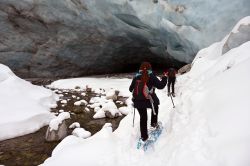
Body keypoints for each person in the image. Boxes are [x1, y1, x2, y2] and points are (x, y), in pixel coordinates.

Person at [129, 62, 167, 142]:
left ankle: (144, 136)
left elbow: (130, 89)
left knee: (143, 117)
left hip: (138, 101)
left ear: (140, 69)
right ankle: (153, 124)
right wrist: (164, 78)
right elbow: (160, 86)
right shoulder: (152, 76)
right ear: (150, 68)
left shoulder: (136, 77)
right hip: (150, 100)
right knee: (155, 107)